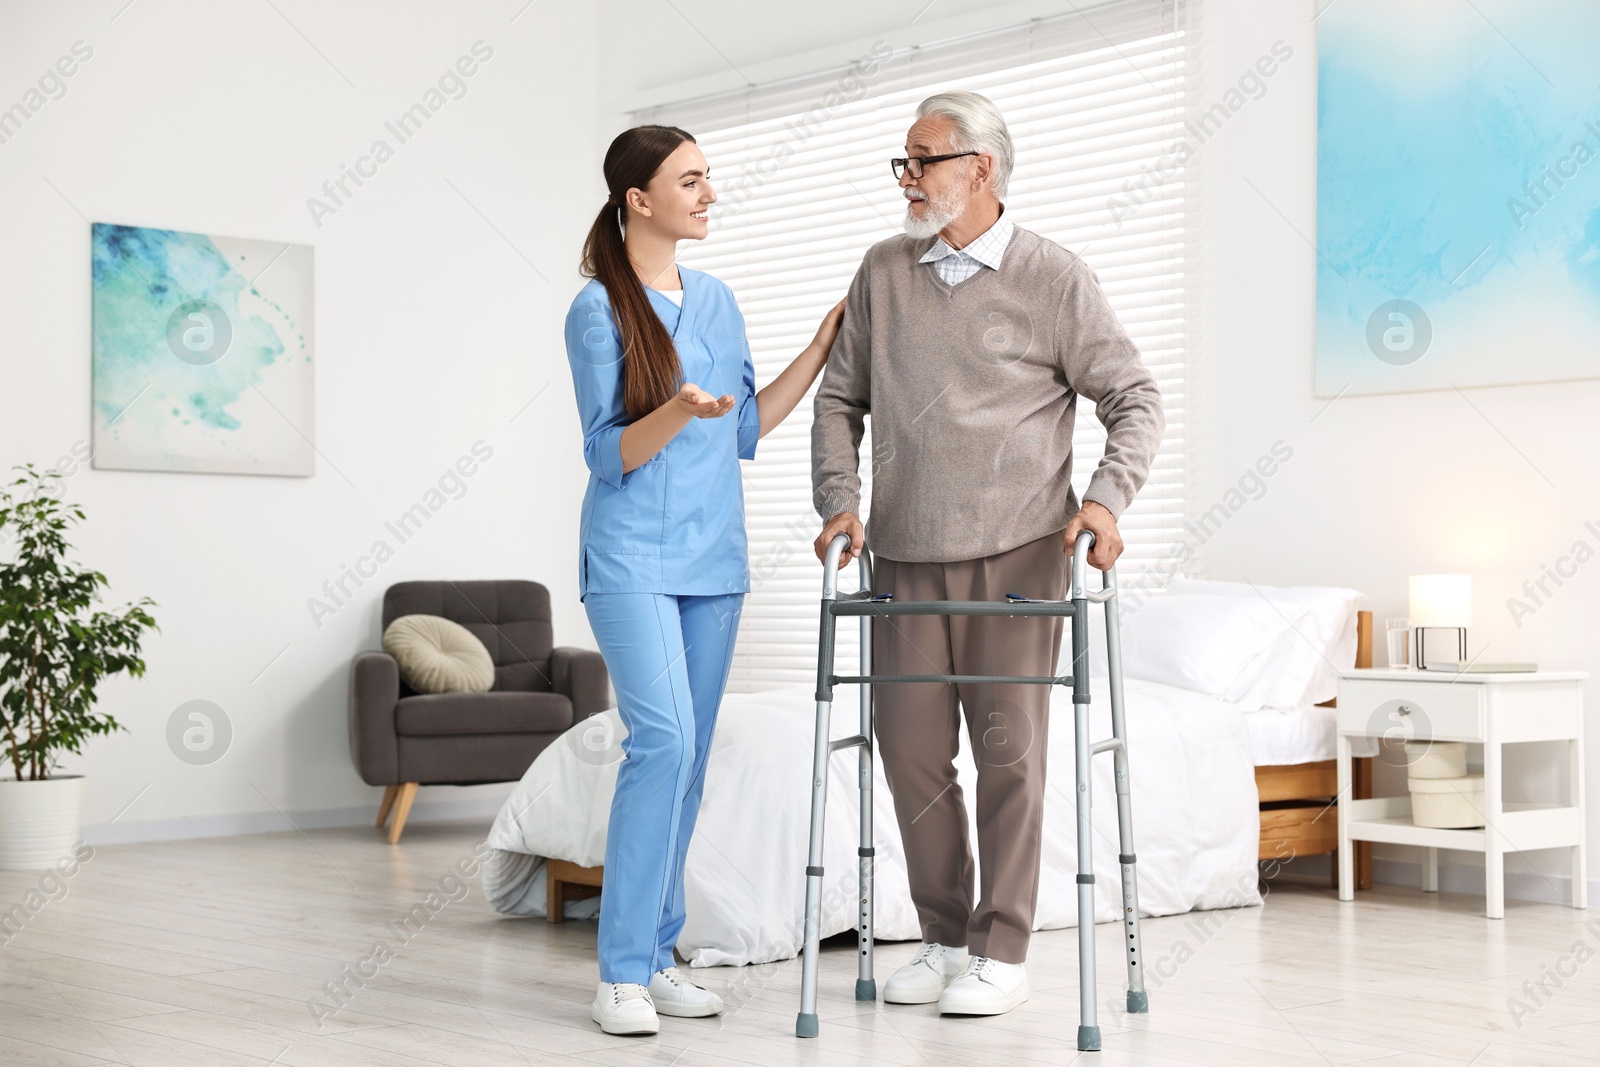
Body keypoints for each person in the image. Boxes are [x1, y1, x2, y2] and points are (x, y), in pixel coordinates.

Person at [811, 91, 1164, 1017]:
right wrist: (840, 504)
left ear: (982, 169)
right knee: (911, 753)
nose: (909, 177)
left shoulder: (1053, 276)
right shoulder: (884, 270)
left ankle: (1002, 944)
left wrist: (1105, 499)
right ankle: (941, 934)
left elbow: (1134, 395)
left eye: (924, 160)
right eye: (905, 161)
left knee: (1008, 755)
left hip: (1018, 552)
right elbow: (838, 399)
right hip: (904, 550)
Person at [566, 125, 843, 1036]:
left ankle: (655, 955)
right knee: (664, 745)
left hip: (713, 563)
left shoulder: (718, 301)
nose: (709, 193)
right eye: (690, 180)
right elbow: (610, 454)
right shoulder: (598, 310)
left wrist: (819, 347)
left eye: (709, 177)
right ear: (639, 199)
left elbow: (747, 427)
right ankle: (617, 976)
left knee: (686, 768)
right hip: (633, 560)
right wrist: (673, 408)